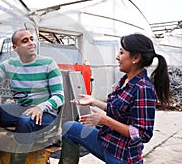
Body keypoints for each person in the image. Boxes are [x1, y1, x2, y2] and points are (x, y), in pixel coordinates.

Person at [58, 33, 171, 164]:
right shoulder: (125, 80)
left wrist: (105, 120)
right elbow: (117, 109)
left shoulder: (143, 89)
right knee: (69, 127)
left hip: (122, 155)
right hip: (107, 142)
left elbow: (142, 134)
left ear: (135, 58)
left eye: (122, 53)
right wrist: (94, 101)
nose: (117, 57)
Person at [0, 28, 64, 164]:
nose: (31, 43)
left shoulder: (49, 64)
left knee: (25, 121)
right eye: (25, 41)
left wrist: (40, 107)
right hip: (21, 108)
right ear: (15, 47)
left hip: (46, 113)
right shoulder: (9, 65)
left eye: (31, 39)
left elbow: (59, 97)